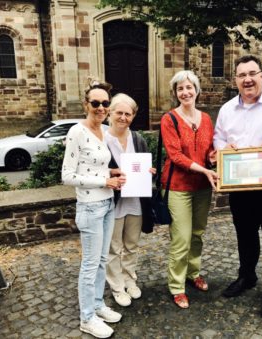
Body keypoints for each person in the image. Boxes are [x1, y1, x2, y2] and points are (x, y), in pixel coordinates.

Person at [213, 55, 262, 315]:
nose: (247, 79)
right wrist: (226, 149)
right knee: (245, 236)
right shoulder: (226, 110)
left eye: (252, 73)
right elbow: (218, 140)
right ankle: (247, 277)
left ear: (261, 75)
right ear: (235, 80)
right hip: (240, 187)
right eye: (241, 75)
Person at [62, 79, 126, 339]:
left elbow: (93, 166)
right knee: (90, 264)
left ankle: (98, 305)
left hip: (107, 203)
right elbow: (67, 175)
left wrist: (112, 171)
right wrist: (104, 180)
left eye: (105, 103)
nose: (101, 107)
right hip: (89, 207)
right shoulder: (77, 132)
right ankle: (86, 318)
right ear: (86, 104)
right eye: (96, 103)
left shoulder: (103, 131)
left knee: (101, 260)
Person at [161, 70, 218, 309]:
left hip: (202, 187)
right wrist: (204, 170)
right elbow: (175, 156)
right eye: (180, 89)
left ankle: (193, 273)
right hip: (178, 186)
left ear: (196, 90)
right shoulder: (169, 119)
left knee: (197, 233)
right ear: (175, 93)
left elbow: (208, 151)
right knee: (181, 238)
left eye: (189, 87)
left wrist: (215, 158)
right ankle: (176, 285)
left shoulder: (205, 119)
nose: (185, 92)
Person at [105, 93, 156, 307]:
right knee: (113, 248)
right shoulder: (101, 139)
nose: (123, 117)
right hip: (113, 203)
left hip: (135, 201)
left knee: (132, 245)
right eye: (119, 112)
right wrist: (111, 175)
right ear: (110, 113)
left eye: (128, 114)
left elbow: (144, 166)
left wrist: (149, 172)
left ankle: (129, 279)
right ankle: (117, 286)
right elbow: (95, 170)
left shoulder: (138, 139)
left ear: (133, 116)